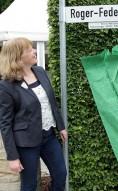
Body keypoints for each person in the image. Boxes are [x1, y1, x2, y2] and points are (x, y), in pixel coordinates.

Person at [0, 37, 67, 191]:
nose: (35, 51)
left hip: (49, 136)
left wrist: (60, 126)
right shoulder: (6, 85)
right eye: (29, 50)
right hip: (26, 142)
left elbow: (51, 102)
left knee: (61, 174)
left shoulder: (40, 71)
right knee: (29, 185)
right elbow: (5, 124)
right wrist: (13, 157)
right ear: (18, 57)